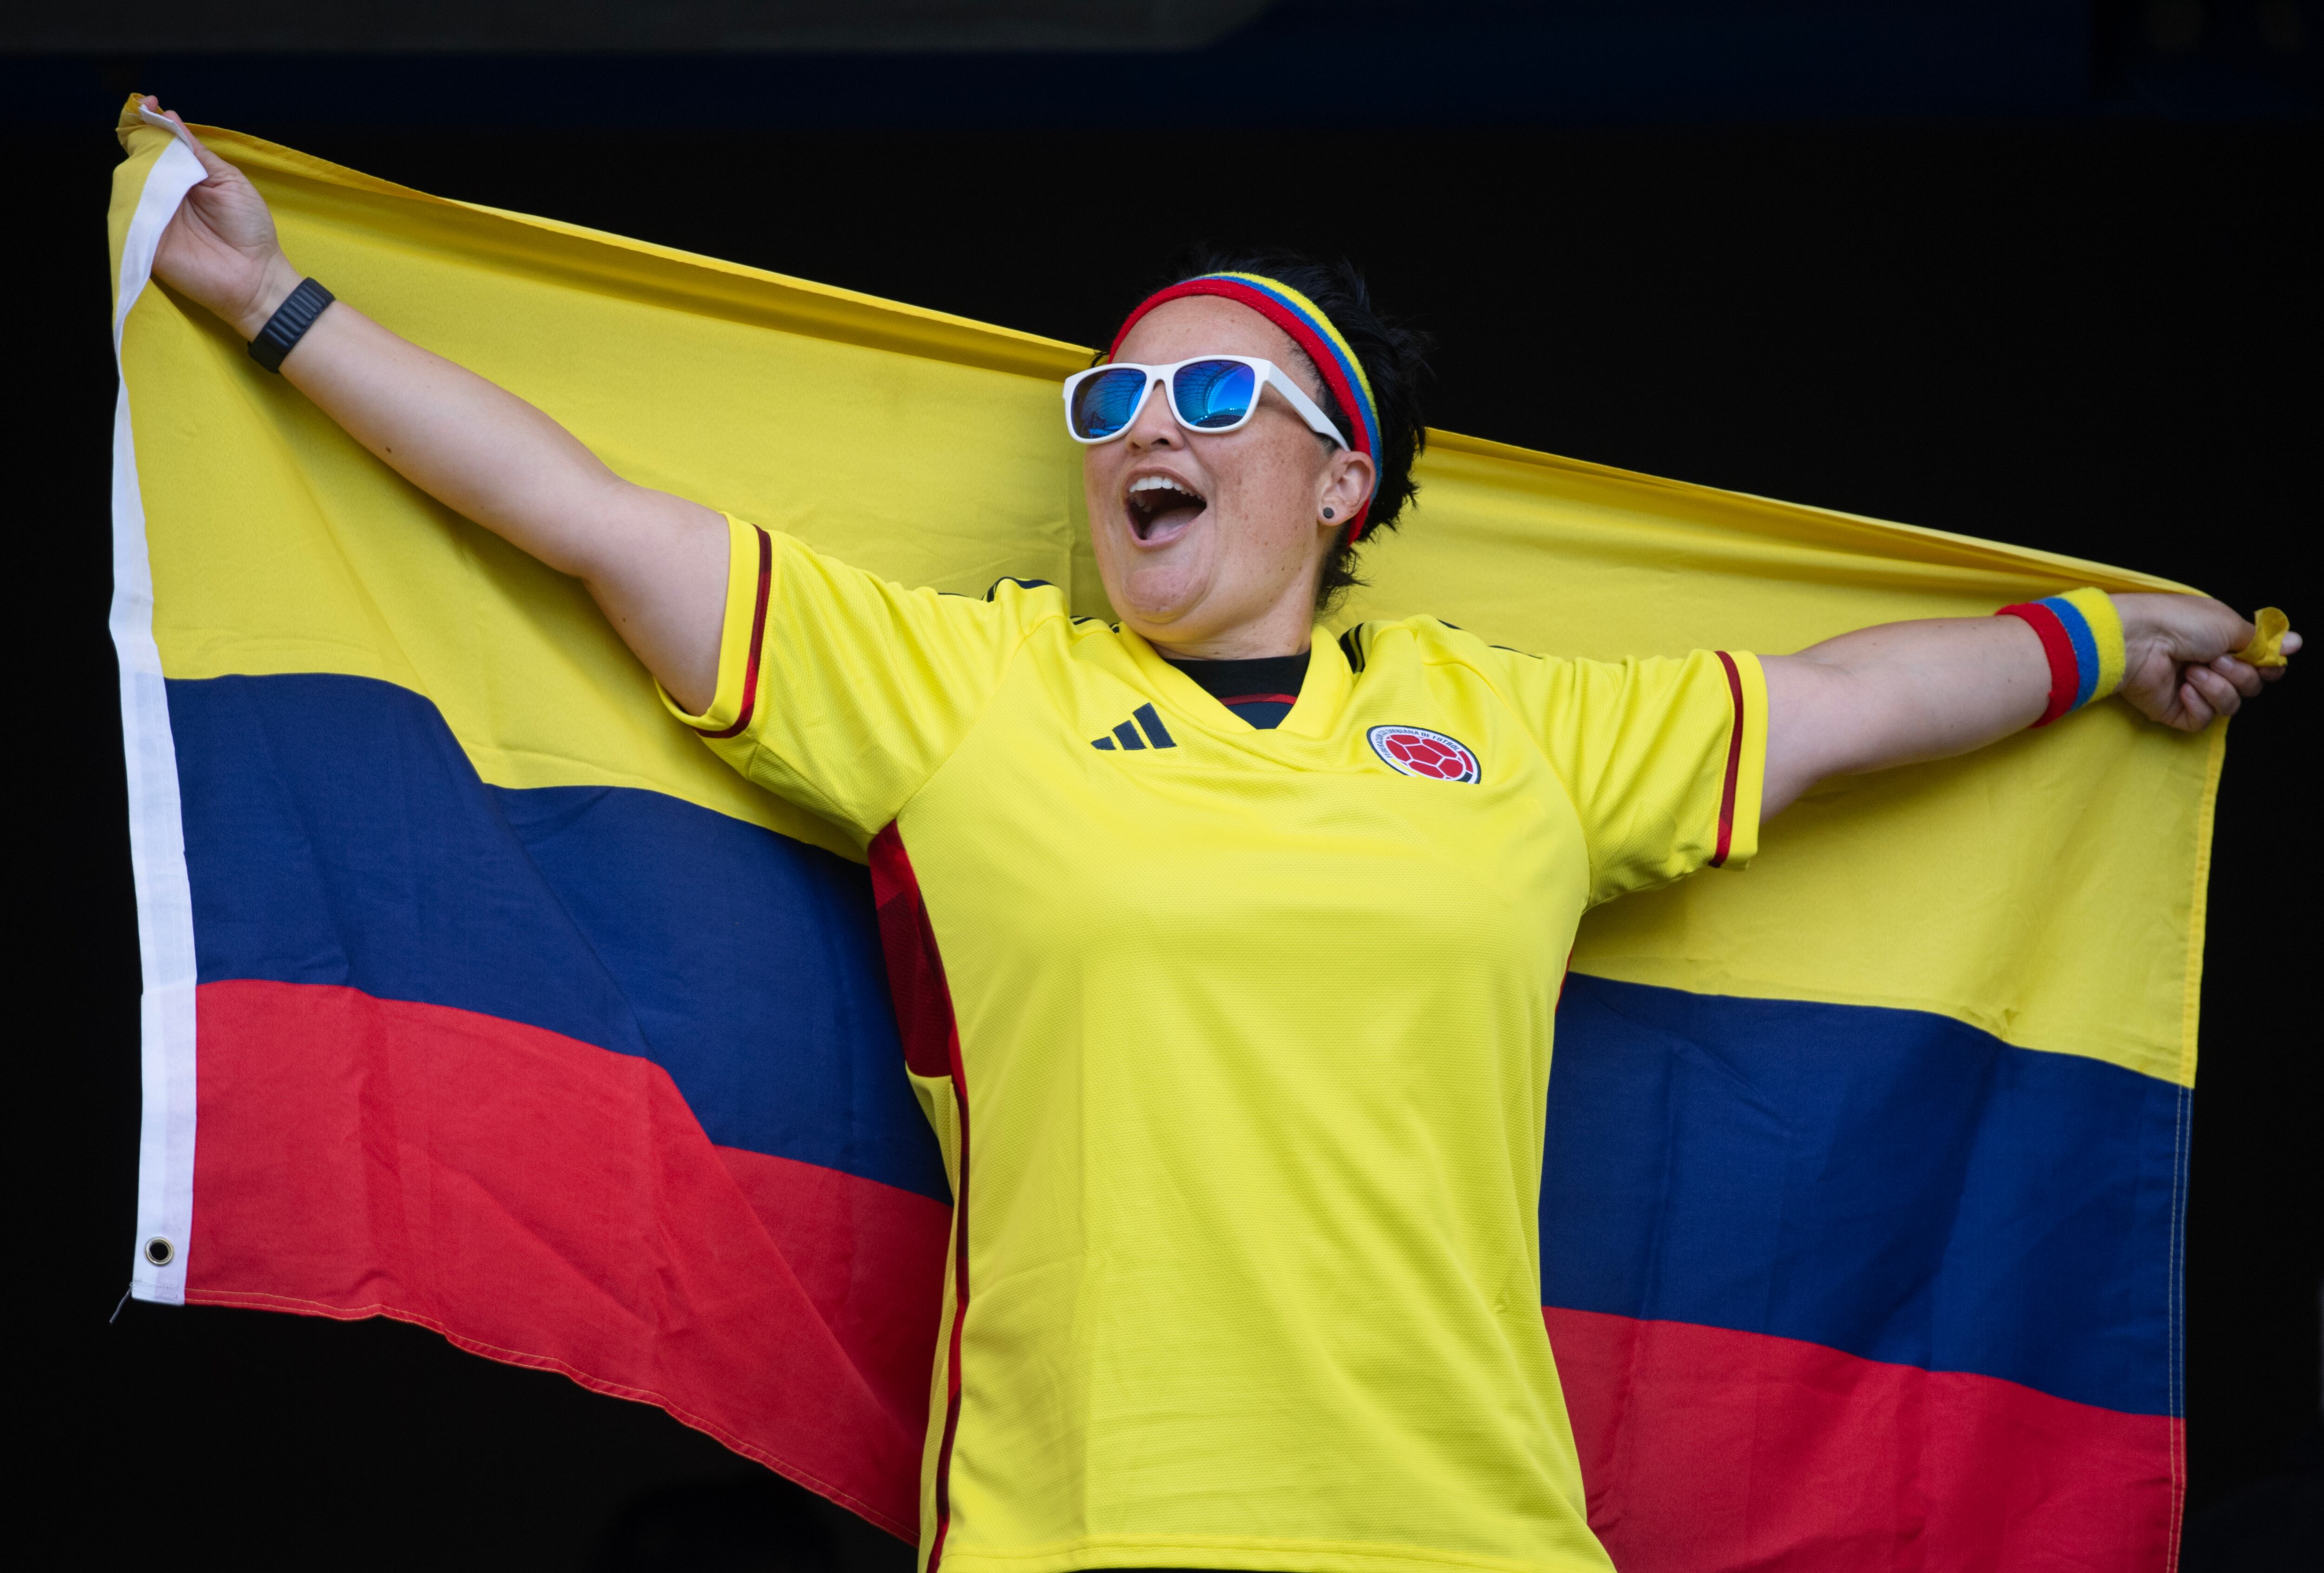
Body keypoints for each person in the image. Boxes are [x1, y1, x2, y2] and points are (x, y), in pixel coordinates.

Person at [142, 101, 2294, 1573]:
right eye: (1102, 406)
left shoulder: (1507, 733)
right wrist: (267, 304)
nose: (1136, 431)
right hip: (1082, 1534)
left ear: (1340, 480)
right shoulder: (967, 691)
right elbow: (592, 520)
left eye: (1202, 398)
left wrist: (2108, 639)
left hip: (1475, 1542)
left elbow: (1838, 707)